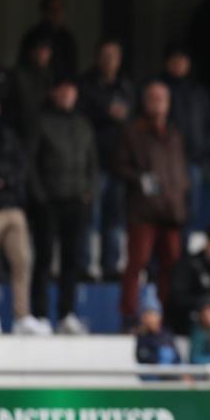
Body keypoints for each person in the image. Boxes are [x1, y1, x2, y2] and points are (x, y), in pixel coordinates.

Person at [113, 80, 189, 329]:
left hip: (171, 212)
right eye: (153, 99)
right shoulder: (132, 132)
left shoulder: (174, 134)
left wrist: (180, 195)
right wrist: (140, 180)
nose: (158, 104)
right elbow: (119, 167)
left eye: (162, 99)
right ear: (145, 103)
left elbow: (179, 171)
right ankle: (129, 316)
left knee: (171, 267)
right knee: (137, 264)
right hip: (143, 212)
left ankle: (163, 318)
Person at [0, 91, 48, 334]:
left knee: (22, 261)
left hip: (13, 206)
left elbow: (21, 164)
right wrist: (0, 175)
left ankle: (21, 315)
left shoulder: (8, 135)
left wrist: (4, 178)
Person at [28, 78, 98, 334]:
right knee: (44, 258)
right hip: (49, 202)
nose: (68, 94)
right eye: (63, 90)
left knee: (72, 260)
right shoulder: (42, 122)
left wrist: (89, 192)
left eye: (72, 90)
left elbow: (93, 163)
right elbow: (31, 162)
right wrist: (40, 196)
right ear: (53, 92)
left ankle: (66, 313)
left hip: (76, 202)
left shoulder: (83, 125)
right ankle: (40, 314)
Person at [78, 38, 134, 279]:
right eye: (106, 55)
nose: (110, 61)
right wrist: (106, 112)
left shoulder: (126, 86)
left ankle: (110, 266)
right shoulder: (86, 84)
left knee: (115, 218)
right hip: (94, 162)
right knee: (90, 216)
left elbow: (132, 118)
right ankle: (84, 266)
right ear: (98, 58)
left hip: (118, 162)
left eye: (115, 56)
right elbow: (81, 118)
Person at [160, 45, 210, 233]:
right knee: (164, 209)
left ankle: (183, 255)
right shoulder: (159, 89)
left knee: (190, 210)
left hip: (194, 160)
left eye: (182, 60)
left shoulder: (199, 92)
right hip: (165, 162)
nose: (178, 64)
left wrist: (204, 152)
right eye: (174, 60)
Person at [167, 223, 210, 335]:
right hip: (187, 325)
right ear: (208, 242)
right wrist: (204, 306)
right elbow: (177, 298)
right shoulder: (188, 265)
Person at [17, 0, 77, 80]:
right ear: (45, 11)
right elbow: (22, 68)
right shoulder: (33, 36)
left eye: (60, 9)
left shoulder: (67, 38)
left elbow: (73, 69)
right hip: (36, 85)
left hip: (61, 86)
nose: (57, 14)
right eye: (53, 10)